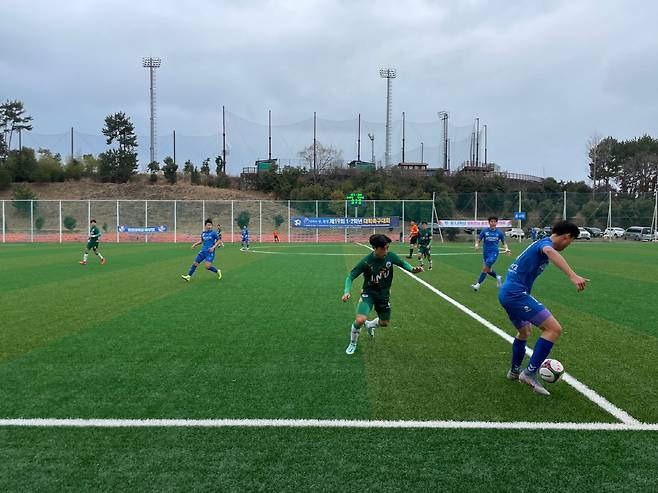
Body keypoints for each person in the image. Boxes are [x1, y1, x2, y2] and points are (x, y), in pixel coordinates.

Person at [499, 220, 588, 395]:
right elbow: (549, 251)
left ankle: (514, 371)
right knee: (554, 329)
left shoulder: (540, 242)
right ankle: (529, 373)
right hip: (515, 294)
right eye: (571, 241)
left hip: (507, 292)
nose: (569, 245)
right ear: (566, 236)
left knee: (524, 332)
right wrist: (572, 275)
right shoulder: (546, 245)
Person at [342, 234, 423, 355]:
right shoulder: (366, 262)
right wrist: (346, 291)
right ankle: (353, 343)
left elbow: (403, 263)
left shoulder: (390, 256)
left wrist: (412, 269)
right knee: (360, 320)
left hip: (383, 296)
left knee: (384, 323)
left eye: (387, 247)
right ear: (375, 248)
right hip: (368, 293)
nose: (386, 251)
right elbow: (350, 277)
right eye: (383, 248)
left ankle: (370, 325)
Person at [471, 216, 510, 291]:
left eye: (494, 221)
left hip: (494, 253)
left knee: (485, 268)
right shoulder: (485, 231)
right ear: (489, 222)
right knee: (488, 269)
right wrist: (476, 245)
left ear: (496, 222)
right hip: (486, 253)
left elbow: (504, 242)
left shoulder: (499, 232)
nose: (493, 223)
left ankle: (478, 284)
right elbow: (478, 239)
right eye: (491, 221)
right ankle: (497, 277)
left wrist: (506, 248)